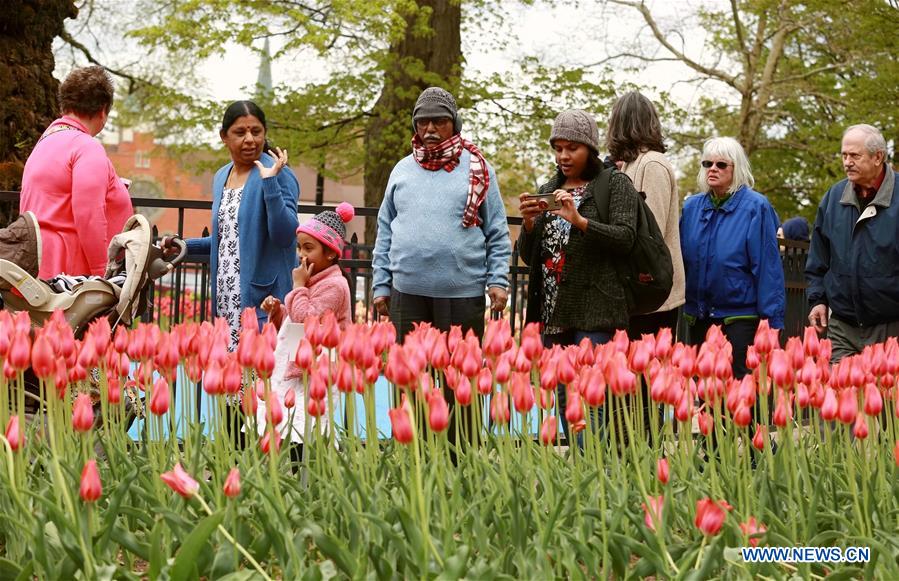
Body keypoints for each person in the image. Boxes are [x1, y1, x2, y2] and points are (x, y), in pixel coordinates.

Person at [518, 109, 639, 441]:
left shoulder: (614, 184)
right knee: (563, 403)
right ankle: (579, 474)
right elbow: (531, 257)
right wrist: (529, 226)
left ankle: (596, 476)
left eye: (572, 147)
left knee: (593, 403)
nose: (563, 156)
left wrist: (580, 221)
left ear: (590, 148)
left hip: (596, 312)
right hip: (553, 313)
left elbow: (626, 238)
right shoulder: (549, 187)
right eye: (558, 147)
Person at [372, 87, 511, 339]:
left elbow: (497, 231)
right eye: (422, 122)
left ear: (455, 124)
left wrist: (498, 281)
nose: (430, 129)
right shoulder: (401, 170)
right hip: (407, 294)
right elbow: (385, 230)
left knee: (457, 377)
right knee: (410, 378)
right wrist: (381, 283)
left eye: (440, 121)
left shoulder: (479, 169)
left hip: (463, 296)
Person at [181, 101, 299, 348]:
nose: (249, 140)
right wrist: (184, 246)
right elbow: (230, 239)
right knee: (232, 379)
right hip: (227, 298)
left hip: (264, 301)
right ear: (224, 136)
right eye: (240, 132)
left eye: (256, 132)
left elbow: (285, 235)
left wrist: (270, 184)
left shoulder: (279, 172)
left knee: (261, 382)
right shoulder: (221, 176)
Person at [680, 137, 785, 378]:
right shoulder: (692, 208)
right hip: (700, 317)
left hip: (740, 318)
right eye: (707, 164)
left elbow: (768, 269)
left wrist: (772, 323)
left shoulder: (756, 207)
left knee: (740, 393)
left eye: (721, 164)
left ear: (736, 168)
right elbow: (680, 258)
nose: (712, 169)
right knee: (706, 392)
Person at [258, 203, 354, 464]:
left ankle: (312, 478)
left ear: (331, 253)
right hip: (299, 365)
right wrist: (277, 312)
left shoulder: (335, 286)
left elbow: (307, 319)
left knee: (308, 428)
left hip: (318, 371)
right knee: (290, 426)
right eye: (299, 247)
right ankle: (294, 476)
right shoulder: (313, 280)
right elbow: (293, 325)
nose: (301, 254)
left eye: (309, 248)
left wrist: (298, 286)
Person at [20, 65, 133, 279]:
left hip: (38, 263)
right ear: (103, 111)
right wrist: (103, 272)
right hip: (70, 272)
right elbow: (89, 216)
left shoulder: (45, 141)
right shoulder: (86, 147)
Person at [806, 124, 899, 362]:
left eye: (855, 155)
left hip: (890, 329)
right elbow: (818, 257)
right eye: (844, 155)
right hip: (842, 327)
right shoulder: (833, 197)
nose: (847, 162)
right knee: (839, 396)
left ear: (878, 157)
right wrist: (817, 300)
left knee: (884, 399)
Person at [606, 91, 685, 339]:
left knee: (647, 375)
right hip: (634, 292)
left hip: (651, 292)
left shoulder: (653, 164)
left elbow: (652, 233)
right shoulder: (630, 164)